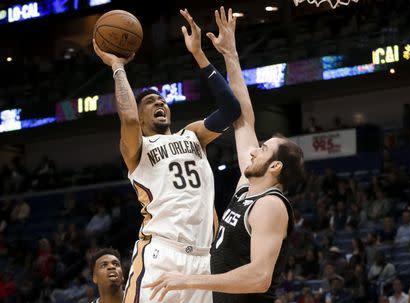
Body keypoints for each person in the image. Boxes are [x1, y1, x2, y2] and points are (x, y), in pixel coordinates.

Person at [144, 7, 304, 303]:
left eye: (264, 149)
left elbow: (259, 277)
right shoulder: (248, 190)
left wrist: (190, 280)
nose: (255, 149)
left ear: (276, 166)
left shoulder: (271, 205)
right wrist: (229, 54)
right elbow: (243, 120)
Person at [92, 7, 242, 303]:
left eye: (162, 100)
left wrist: (199, 55)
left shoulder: (193, 134)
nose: (159, 102)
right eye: (150, 101)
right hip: (161, 252)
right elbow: (130, 121)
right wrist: (117, 66)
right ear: (139, 112)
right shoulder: (136, 149)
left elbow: (231, 110)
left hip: (201, 259)